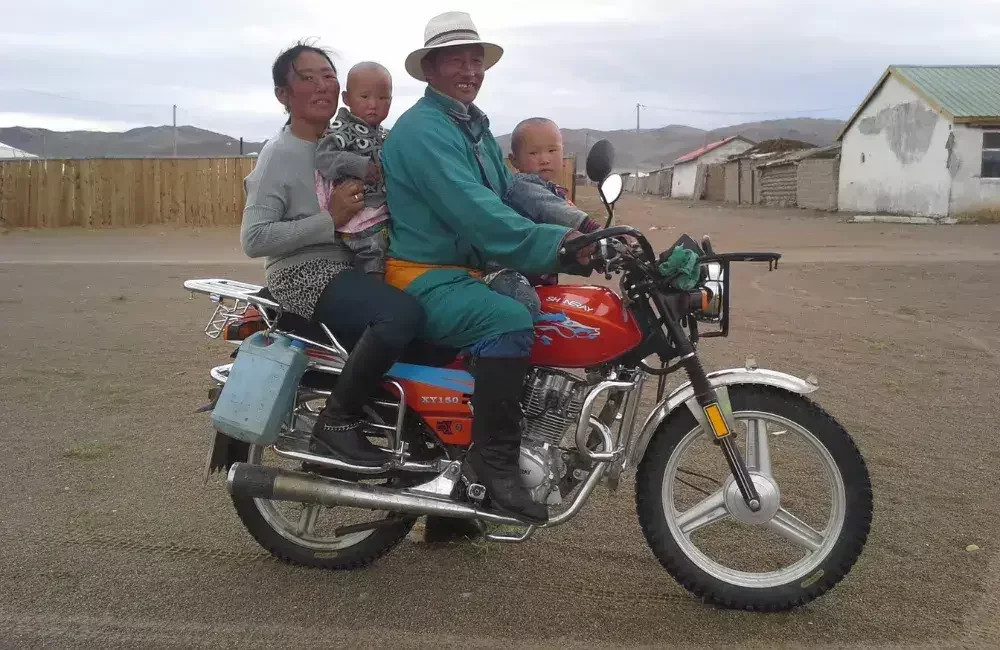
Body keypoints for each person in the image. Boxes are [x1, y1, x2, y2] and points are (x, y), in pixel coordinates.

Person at [381, 11, 594, 524]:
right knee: (509, 319)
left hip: (465, 272)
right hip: (425, 274)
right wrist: (556, 246)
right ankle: (494, 466)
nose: (471, 70)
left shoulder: (471, 126)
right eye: (457, 60)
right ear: (430, 68)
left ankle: (459, 497)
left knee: (547, 310)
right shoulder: (423, 130)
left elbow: (514, 189)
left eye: (476, 61)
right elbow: (476, 209)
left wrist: (585, 227)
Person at [240, 42, 425, 467]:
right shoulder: (280, 153)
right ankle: (336, 423)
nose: (322, 85)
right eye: (307, 78)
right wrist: (330, 219)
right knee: (398, 315)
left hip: (354, 263)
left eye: (328, 75)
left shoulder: (352, 141)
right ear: (283, 95)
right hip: (305, 272)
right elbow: (255, 238)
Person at [314, 62, 393, 278]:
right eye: (365, 97)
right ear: (347, 99)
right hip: (357, 218)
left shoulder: (385, 135)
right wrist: (359, 165)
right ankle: (374, 292)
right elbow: (323, 157)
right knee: (373, 258)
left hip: (381, 214)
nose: (373, 105)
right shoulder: (342, 129)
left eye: (383, 98)